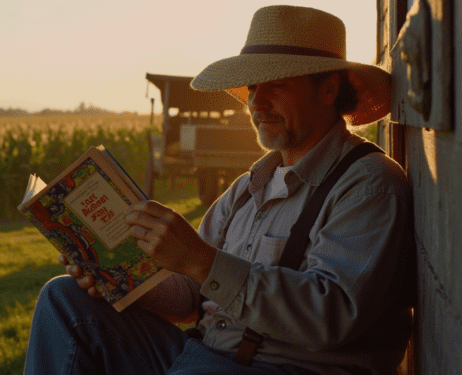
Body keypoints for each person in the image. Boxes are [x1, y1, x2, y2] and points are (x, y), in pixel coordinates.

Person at [24, 5, 414, 375]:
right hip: (205, 353)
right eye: (253, 87)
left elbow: (331, 315)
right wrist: (118, 281)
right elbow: (192, 298)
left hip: (280, 367)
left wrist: (200, 259)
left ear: (328, 91)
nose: (257, 103)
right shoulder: (249, 187)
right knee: (64, 301)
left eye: (276, 85)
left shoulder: (368, 184)